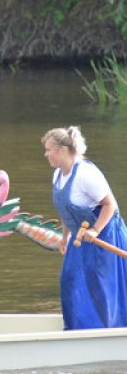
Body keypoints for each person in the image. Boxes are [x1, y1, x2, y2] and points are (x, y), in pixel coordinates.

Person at [42, 125, 127, 329]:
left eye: (48, 149)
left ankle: (106, 329)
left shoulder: (85, 174)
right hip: (80, 237)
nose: (46, 154)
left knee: (98, 284)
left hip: (104, 234)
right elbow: (65, 210)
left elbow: (110, 205)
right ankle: (77, 329)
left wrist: (95, 230)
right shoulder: (58, 175)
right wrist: (64, 238)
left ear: (62, 150)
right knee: (70, 281)